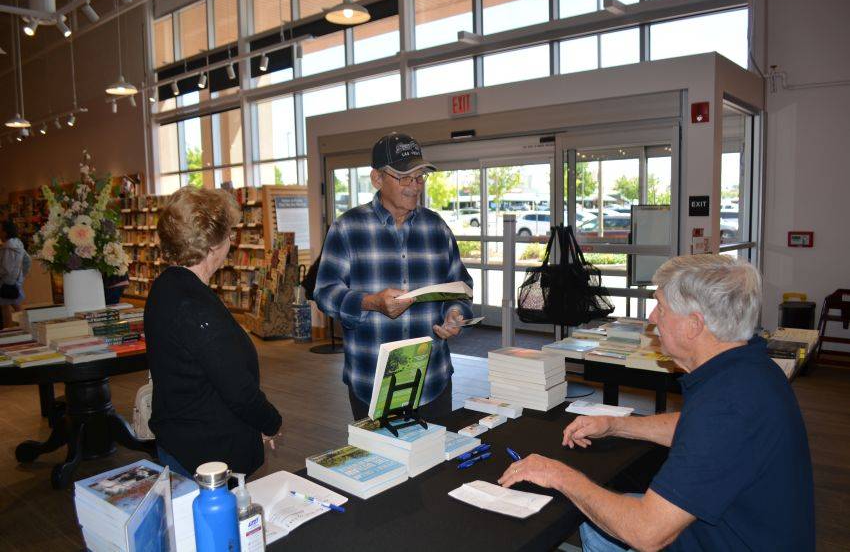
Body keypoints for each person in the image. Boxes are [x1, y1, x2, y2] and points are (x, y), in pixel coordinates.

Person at [498, 254, 815, 551]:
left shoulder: (727, 406)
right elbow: (696, 428)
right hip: (739, 529)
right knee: (598, 524)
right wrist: (615, 425)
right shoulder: (749, 367)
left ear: (694, 325)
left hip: (725, 541)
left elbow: (647, 532)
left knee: (597, 520)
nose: (652, 318)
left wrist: (557, 474)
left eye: (661, 308)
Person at [314, 132, 474, 421]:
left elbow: (460, 287)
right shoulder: (347, 228)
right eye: (404, 177)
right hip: (371, 381)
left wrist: (454, 313)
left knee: (438, 465)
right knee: (382, 463)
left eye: (420, 177)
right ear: (377, 179)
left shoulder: (437, 229)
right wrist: (371, 303)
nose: (415, 186)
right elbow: (325, 292)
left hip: (431, 380)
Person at [145, 187, 282, 478]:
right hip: (206, 456)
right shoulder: (194, 305)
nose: (231, 242)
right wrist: (271, 422)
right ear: (211, 245)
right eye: (229, 235)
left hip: (179, 439)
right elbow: (237, 389)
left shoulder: (165, 287)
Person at [0, 220, 31, 328]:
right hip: (15, 281)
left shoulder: (7, 247)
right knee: (14, 305)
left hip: (6, 282)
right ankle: (25, 326)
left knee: (6, 306)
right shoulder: (18, 244)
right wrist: (22, 275)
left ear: (5, 232)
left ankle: (10, 328)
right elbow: (28, 261)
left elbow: (6, 268)